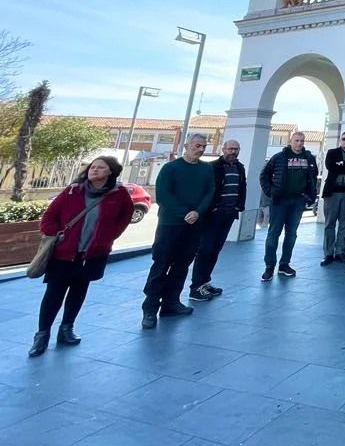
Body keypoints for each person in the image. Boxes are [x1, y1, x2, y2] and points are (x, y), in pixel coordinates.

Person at [29, 156, 134, 357]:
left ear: (110, 171)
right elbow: (49, 217)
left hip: (92, 254)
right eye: (92, 167)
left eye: (100, 167)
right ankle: (42, 335)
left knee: (79, 290)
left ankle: (66, 329)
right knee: (54, 294)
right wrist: (56, 236)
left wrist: (108, 237)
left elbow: (125, 217)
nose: (94, 170)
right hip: (64, 253)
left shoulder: (118, 194)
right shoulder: (72, 191)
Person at [142, 133, 214, 328]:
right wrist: (185, 213)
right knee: (161, 264)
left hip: (194, 225)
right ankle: (149, 307)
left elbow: (210, 192)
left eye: (203, 146)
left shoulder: (206, 169)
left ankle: (171, 302)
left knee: (182, 265)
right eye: (197, 145)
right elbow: (164, 195)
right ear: (187, 146)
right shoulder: (170, 168)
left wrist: (198, 212)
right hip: (170, 225)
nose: (200, 149)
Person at [189, 139, 247, 301]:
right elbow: (206, 189)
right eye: (230, 149)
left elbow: (242, 187)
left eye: (236, 149)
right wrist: (211, 208)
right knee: (205, 249)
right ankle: (196, 287)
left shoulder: (239, 167)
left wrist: (238, 207)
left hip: (229, 214)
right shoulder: (213, 167)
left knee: (216, 249)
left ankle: (205, 282)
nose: (233, 152)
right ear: (223, 149)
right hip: (212, 215)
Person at [259, 132, 318, 282]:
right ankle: (269, 266)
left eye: (302, 141)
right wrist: (270, 192)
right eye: (296, 140)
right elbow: (264, 174)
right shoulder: (279, 157)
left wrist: (309, 195)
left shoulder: (309, 158)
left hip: (298, 202)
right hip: (280, 201)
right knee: (273, 234)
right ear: (290, 141)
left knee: (291, 234)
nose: (299, 143)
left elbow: (312, 176)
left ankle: (285, 264)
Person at [321, 131, 345, 266]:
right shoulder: (332, 153)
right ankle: (328, 253)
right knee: (329, 223)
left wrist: (342, 164)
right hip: (332, 193)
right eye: (343, 139)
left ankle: (340, 251)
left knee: (344, 224)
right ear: (340, 140)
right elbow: (331, 167)